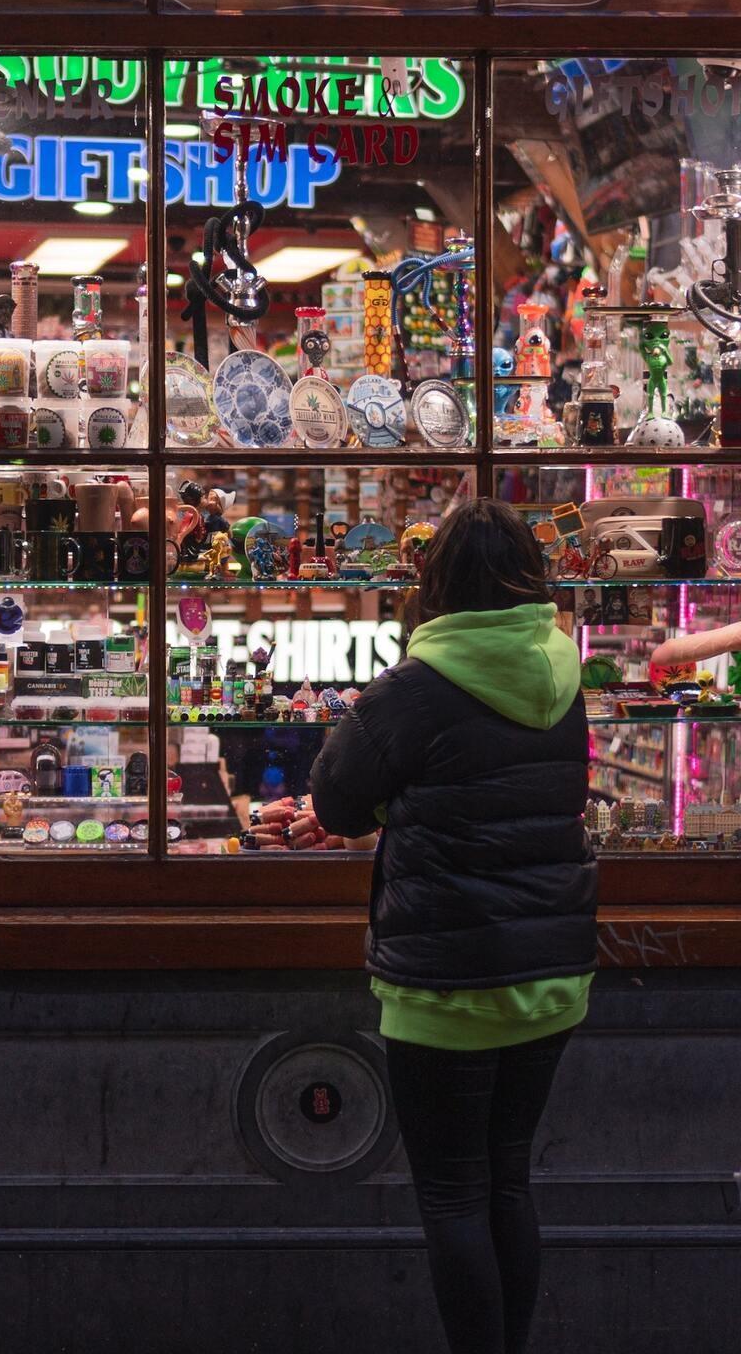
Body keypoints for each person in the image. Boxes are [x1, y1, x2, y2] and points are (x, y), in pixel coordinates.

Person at [309, 498, 598, 1354]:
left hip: (446, 979)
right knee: (508, 1180)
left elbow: (335, 802)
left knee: (452, 1195)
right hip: (552, 973)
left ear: (435, 581)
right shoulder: (565, 667)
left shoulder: (412, 687)